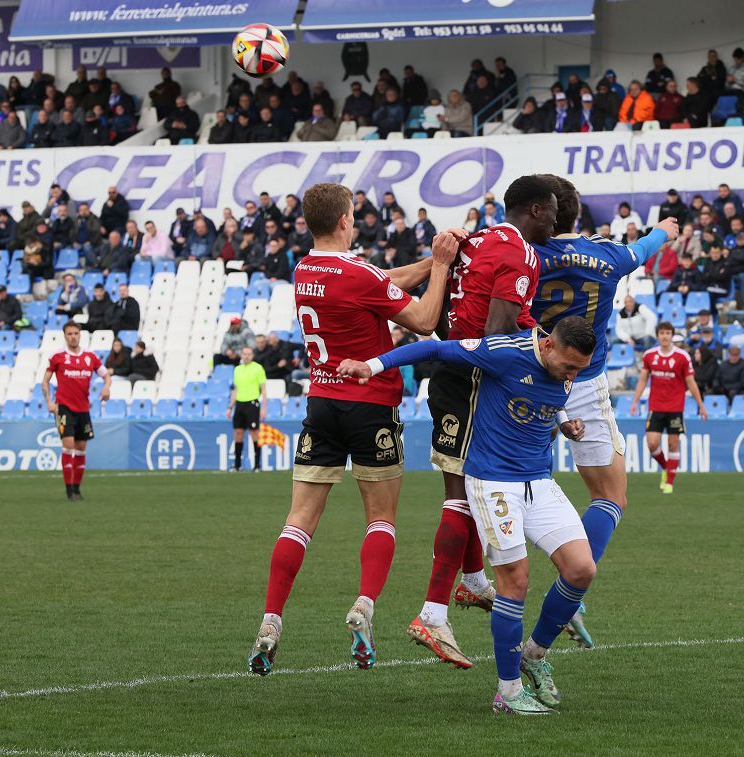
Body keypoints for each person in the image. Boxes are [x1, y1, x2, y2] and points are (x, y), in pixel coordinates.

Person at [246, 183, 459, 675]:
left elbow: (379, 281)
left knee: (298, 520)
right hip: (371, 404)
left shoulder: (304, 269)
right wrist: (444, 266)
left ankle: (271, 619)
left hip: (321, 403)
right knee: (380, 518)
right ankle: (364, 605)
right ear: (345, 220)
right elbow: (424, 321)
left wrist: (427, 262)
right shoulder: (358, 272)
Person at [338, 316, 598, 715]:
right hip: (493, 483)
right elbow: (433, 347)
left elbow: (550, 397)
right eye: (569, 367)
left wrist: (566, 423)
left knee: (582, 570)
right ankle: (508, 693)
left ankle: (532, 654)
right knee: (516, 581)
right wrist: (372, 366)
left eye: (579, 369)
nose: (573, 374)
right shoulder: (503, 353)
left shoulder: (565, 364)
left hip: (539, 481)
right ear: (547, 346)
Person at [384, 175, 558, 670]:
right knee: (468, 494)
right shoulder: (521, 254)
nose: (556, 221)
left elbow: (445, 316)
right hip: (480, 383)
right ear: (535, 210)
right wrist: (531, 342)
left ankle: (474, 581)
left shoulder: (472, 241)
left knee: (466, 490)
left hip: (448, 373)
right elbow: (498, 336)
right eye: (552, 211)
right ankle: (432, 613)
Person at [530, 177, 676, 645]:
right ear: (578, 215)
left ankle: (472, 580)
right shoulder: (609, 255)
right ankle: (570, 591)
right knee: (610, 495)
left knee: (517, 483)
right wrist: (666, 230)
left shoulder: (527, 254)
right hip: (585, 383)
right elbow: (645, 246)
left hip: (528, 374)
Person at [629, 322, 707, 493]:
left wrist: (701, 406)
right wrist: (635, 401)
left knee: (673, 445)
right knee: (652, 444)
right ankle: (667, 468)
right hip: (655, 407)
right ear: (657, 336)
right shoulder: (649, 356)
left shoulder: (682, 357)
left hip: (675, 407)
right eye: (662, 333)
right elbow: (643, 380)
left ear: (672, 335)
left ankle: (669, 483)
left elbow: (691, 382)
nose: (664, 336)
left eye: (668, 333)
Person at [42, 321, 111, 501]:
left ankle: (77, 489)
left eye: (76, 333)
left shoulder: (90, 357)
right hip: (64, 408)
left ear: (80, 335)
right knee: (68, 444)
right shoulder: (57, 357)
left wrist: (106, 388)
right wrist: (49, 401)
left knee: (81, 448)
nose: (73, 336)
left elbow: (106, 375)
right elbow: (45, 381)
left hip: (83, 409)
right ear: (65, 336)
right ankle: (69, 489)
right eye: (70, 334)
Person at [226, 346, 268, 472]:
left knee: (254, 433)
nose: (246, 356)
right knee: (238, 433)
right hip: (239, 404)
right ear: (241, 355)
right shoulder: (237, 369)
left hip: (252, 403)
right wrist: (230, 407)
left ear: (252, 355)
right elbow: (235, 390)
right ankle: (237, 465)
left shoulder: (258, 368)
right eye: (244, 354)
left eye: (249, 354)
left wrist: (264, 408)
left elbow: (264, 389)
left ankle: (256, 465)